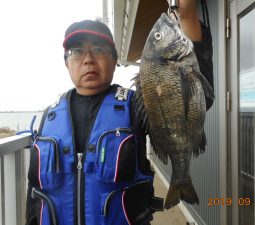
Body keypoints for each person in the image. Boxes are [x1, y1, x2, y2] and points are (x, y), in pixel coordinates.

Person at [25, 0, 214, 224]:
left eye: (98, 49)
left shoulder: (135, 105)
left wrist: (188, 15)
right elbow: (36, 191)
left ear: (115, 61)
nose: (88, 59)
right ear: (66, 63)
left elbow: (195, 96)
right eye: (76, 51)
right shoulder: (50, 116)